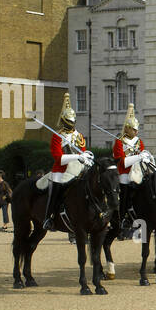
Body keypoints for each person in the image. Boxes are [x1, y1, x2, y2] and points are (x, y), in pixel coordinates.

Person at [43, 92, 90, 232]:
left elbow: (82, 151)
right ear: (64, 120)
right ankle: (49, 217)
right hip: (61, 170)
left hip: (78, 168)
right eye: (69, 121)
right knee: (55, 191)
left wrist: (86, 156)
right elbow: (59, 158)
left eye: (73, 120)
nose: (72, 123)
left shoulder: (79, 135)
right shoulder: (57, 136)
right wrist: (77, 157)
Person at [111, 103, 150, 235]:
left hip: (138, 172)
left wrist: (144, 157)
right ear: (127, 129)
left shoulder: (139, 142)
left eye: (137, 129)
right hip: (124, 173)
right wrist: (138, 156)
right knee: (124, 196)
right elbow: (122, 162)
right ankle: (122, 218)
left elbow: (143, 156)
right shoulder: (119, 142)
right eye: (134, 129)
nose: (136, 131)